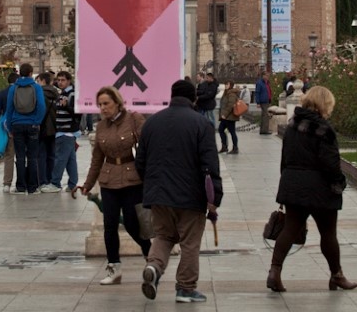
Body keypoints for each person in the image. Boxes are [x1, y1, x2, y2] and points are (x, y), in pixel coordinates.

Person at [136, 79, 222, 303]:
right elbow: (210, 164)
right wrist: (215, 197)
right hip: (190, 195)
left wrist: (151, 184)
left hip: (158, 194)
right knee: (189, 243)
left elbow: (140, 162)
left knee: (164, 236)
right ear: (194, 98)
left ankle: (154, 266)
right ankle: (185, 288)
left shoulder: (152, 123)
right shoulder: (201, 124)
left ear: (171, 95)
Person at [266, 85, 356, 293]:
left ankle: (274, 272)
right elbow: (330, 163)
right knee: (328, 233)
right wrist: (339, 182)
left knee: (290, 229)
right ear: (325, 104)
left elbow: (285, 157)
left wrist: (286, 181)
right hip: (319, 187)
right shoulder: (323, 129)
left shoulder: (292, 125)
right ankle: (337, 275)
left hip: (293, 183)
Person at [80, 85, 151, 285]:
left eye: (106, 103)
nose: (103, 108)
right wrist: (88, 184)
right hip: (109, 179)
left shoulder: (134, 119)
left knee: (132, 223)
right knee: (109, 225)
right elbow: (97, 159)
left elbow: (147, 146)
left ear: (117, 103)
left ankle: (151, 257)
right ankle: (114, 267)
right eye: (100, 104)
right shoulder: (101, 126)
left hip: (132, 178)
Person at [3, 63, 47, 195]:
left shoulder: (14, 88)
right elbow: (41, 106)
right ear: (30, 73)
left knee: (20, 156)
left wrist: (10, 127)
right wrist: (37, 121)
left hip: (17, 124)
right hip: (32, 124)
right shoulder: (36, 87)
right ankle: (33, 187)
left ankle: (21, 186)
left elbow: (9, 109)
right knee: (33, 157)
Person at [49, 70, 79, 192]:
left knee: (60, 158)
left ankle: (55, 183)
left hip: (66, 131)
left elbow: (77, 113)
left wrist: (66, 106)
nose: (60, 82)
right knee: (70, 159)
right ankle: (73, 184)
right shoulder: (62, 94)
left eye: (63, 80)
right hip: (65, 131)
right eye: (59, 80)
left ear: (69, 81)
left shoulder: (71, 94)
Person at [0, 71, 19, 193]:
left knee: (9, 156)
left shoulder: (1, 94)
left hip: (6, 126)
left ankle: (7, 183)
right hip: (21, 124)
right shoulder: (20, 92)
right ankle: (22, 182)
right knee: (22, 156)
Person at [37, 71, 60, 193]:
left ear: (42, 81)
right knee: (52, 155)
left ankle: (42, 180)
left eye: (38, 81)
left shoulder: (39, 93)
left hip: (42, 128)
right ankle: (52, 179)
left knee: (41, 155)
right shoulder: (57, 93)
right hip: (54, 128)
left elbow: (39, 110)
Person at [217, 80, 241, 154]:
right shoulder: (227, 93)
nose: (225, 85)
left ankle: (235, 148)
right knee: (221, 129)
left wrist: (225, 114)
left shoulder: (232, 94)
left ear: (230, 85)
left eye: (227, 84)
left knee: (231, 131)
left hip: (229, 117)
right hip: (226, 116)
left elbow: (230, 105)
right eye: (225, 84)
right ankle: (225, 146)